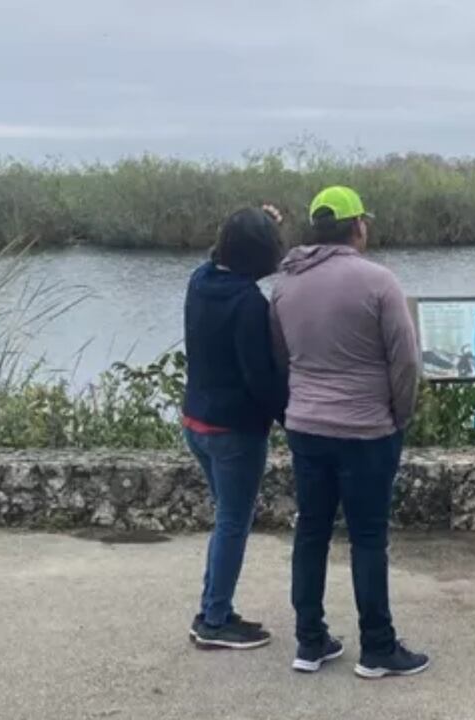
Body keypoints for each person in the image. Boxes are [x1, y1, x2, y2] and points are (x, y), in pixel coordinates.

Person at [270, 186, 430, 679]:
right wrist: (398, 414)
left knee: (311, 532)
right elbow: (406, 359)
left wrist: (295, 407)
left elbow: (279, 358)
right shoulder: (379, 281)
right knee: (367, 538)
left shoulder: (284, 285)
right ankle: (377, 647)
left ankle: (309, 640)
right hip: (366, 429)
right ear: (357, 225)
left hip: (307, 426)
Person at [182, 205, 289, 650]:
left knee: (226, 516)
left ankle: (214, 607)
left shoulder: (200, 282)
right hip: (234, 431)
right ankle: (214, 619)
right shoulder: (250, 304)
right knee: (232, 521)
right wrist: (293, 420)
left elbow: (218, 254)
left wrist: (255, 220)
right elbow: (260, 379)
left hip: (196, 421)